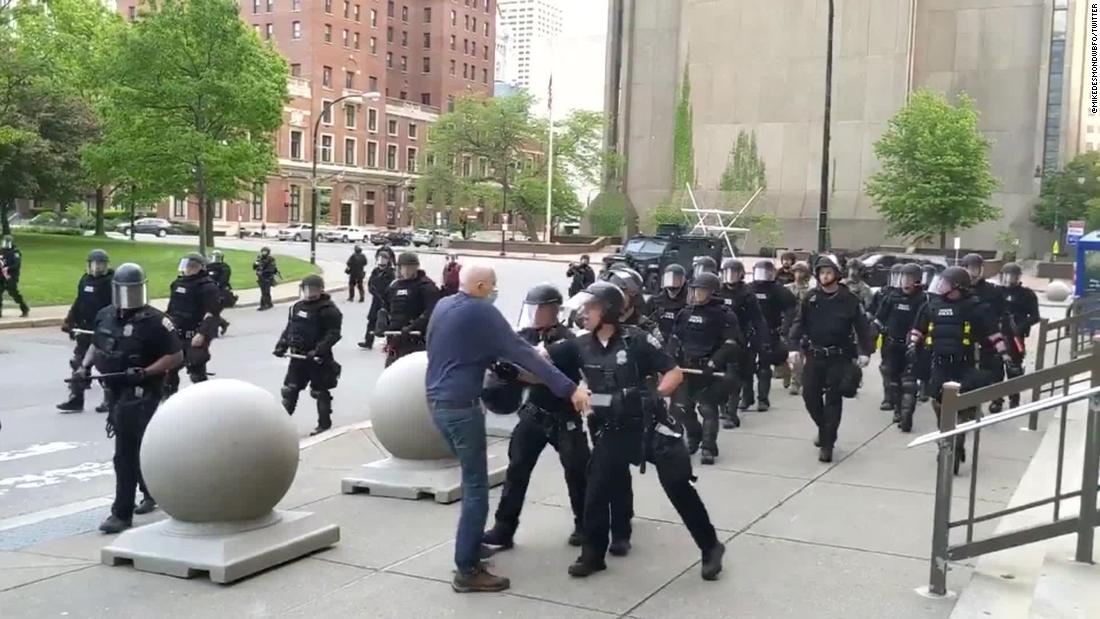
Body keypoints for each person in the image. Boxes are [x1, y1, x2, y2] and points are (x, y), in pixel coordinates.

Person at [425, 263, 588, 593]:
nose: (497, 291)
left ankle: (472, 545)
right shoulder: (481, 313)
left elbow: (454, 349)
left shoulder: (444, 305)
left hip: (437, 403)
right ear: (482, 286)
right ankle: (467, 569)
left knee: (475, 480)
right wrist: (570, 388)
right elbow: (521, 351)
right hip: (461, 408)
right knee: (476, 488)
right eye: (494, 285)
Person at [553, 281, 725, 581]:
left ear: (608, 311)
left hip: (651, 427)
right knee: (595, 491)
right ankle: (593, 555)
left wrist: (656, 397)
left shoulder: (638, 340)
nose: (584, 313)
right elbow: (542, 360)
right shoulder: (578, 345)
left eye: (591, 307)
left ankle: (711, 546)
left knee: (679, 487)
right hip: (613, 430)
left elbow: (673, 373)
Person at [74, 263, 183, 532]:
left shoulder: (157, 321)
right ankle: (151, 491)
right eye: (123, 289)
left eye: (133, 289)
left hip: (142, 392)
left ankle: (121, 514)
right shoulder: (106, 315)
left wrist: (146, 372)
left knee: (125, 454)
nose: (128, 294)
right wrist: (84, 368)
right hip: (115, 392)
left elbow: (176, 356)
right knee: (137, 449)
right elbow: (96, 345)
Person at [482, 283, 589, 551]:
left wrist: (516, 373)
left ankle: (586, 525)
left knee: (577, 473)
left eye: (538, 308)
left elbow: (546, 375)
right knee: (517, 470)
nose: (533, 314)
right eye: (531, 308)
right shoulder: (526, 335)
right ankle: (504, 529)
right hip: (534, 413)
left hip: (564, 415)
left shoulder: (567, 340)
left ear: (553, 309)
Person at [908, 266, 1015, 473]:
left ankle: (957, 441)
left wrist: (1006, 356)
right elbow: (918, 328)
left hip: (966, 363)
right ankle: (945, 437)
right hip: (940, 363)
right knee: (938, 403)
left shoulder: (976, 308)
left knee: (963, 406)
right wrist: (913, 344)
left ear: (957, 286)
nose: (941, 286)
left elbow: (995, 335)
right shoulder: (932, 305)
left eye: (946, 282)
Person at [789, 256, 874, 462]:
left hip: (839, 357)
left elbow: (862, 327)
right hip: (815, 355)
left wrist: (865, 351)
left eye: (828, 272)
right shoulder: (810, 298)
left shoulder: (850, 300)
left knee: (834, 401)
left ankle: (827, 444)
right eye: (821, 272)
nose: (824, 276)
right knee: (810, 396)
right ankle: (824, 428)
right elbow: (798, 323)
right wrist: (793, 347)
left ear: (837, 274)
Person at [670, 272, 742, 464]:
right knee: (682, 408)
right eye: (693, 290)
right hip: (687, 368)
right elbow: (675, 339)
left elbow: (730, 343)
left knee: (708, 409)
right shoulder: (684, 314)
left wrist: (714, 363)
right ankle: (694, 436)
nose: (694, 294)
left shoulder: (724, 315)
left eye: (699, 291)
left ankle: (709, 447)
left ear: (712, 292)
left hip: (710, 370)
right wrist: (670, 362)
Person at [274, 274, 343, 436]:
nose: (310, 292)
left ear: (321, 290)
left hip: (318, 359)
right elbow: (290, 328)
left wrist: (318, 350)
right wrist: (281, 345)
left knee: (319, 391)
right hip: (297, 357)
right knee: (290, 390)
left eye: (314, 289)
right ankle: (280, 425)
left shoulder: (328, 310)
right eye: (307, 289)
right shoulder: (297, 307)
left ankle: (324, 424)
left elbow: (334, 334)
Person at [58, 249, 114, 413]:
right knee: (78, 363)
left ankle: (109, 400)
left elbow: (115, 307)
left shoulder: (111, 282)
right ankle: (76, 398)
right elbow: (79, 302)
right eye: (94, 264)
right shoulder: (85, 280)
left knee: (105, 365)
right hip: (84, 329)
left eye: (101, 264)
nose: (97, 268)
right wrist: (69, 320)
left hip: (103, 330)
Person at [874, 263, 927, 431]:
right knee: (892, 380)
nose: (906, 282)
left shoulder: (923, 300)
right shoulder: (891, 297)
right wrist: (872, 332)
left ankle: (906, 415)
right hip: (892, 343)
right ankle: (897, 409)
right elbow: (879, 317)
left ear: (918, 281)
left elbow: (929, 323)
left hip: (913, 345)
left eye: (910, 279)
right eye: (903, 278)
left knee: (909, 383)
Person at [716, 258, 768, 423]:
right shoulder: (718, 291)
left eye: (733, 273)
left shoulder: (747, 294)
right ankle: (723, 408)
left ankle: (734, 410)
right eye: (727, 273)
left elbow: (757, 318)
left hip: (741, 338)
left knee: (739, 374)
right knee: (719, 376)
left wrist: (761, 339)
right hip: (719, 339)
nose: (730, 277)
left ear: (741, 275)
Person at [962, 253, 1014, 413]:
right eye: (970, 268)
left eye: (976, 268)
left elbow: (1003, 313)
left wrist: (1004, 335)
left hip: (988, 336)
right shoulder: (960, 289)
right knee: (967, 371)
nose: (973, 272)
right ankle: (970, 405)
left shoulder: (992, 290)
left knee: (995, 368)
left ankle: (996, 397)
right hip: (965, 336)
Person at [163, 253, 221, 397]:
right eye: (186, 266)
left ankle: (204, 400)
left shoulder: (208, 287)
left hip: (195, 334)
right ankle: (168, 399)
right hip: (177, 333)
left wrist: (201, 333)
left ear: (199, 268)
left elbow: (212, 313)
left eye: (191, 266)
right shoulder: (177, 284)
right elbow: (171, 309)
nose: (188, 269)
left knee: (196, 369)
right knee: (170, 369)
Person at [749, 259, 798, 411]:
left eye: (766, 272)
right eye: (760, 271)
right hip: (749, 333)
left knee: (764, 367)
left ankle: (763, 399)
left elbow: (791, 307)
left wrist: (785, 326)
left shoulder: (778, 290)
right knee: (745, 367)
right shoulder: (748, 289)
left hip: (769, 332)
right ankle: (746, 397)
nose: (763, 276)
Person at [377, 252, 439, 366]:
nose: (407, 271)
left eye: (411, 268)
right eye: (404, 268)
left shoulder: (426, 286)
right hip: (395, 339)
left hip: (417, 339)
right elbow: (384, 307)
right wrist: (381, 322)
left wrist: (413, 327)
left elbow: (431, 311)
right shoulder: (394, 286)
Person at [1000, 263, 1039, 408]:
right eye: (1006, 275)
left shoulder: (1027, 294)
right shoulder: (997, 292)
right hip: (997, 334)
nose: (1009, 279)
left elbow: (1035, 316)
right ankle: (997, 399)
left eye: (1013, 276)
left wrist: (1020, 325)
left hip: (1016, 337)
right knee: (996, 367)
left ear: (1018, 277)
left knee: (1014, 368)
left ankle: (1014, 398)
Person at [871, 263, 904, 410]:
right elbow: (872, 311)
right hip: (886, 336)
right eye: (894, 276)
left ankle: (903, 399)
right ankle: (888, 397)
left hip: (906, 336)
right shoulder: (882, 293)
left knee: (904, 370)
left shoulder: (912, 295)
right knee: (886, 368)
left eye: (900, 276)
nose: (897, 280)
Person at [358, 250, 396, 350]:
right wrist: (373, 290)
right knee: (371, 319)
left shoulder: (391, 273)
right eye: (380, 258)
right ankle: (368, 341)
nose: (382, 260)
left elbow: (392, 286)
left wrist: (385, 295)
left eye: (384, 258)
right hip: (376, 300)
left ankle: (389, 343)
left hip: (386, 300)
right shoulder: (375, 271)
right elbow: (371, 283)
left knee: (387, 321)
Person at [785, 261, 813, 395]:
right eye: (796, 271)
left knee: (804, 354)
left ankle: (798, 381)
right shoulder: (787, 289)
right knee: (792, 354)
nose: (798, 275)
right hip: (790, 324)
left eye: (801, 272)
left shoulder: (811, 290)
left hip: (806, 324)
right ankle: (791, 378)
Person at [648, 263, 688, 343]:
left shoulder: (689, 301)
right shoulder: (655, 300)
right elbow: (646, 321)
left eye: (676, 289)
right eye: (670, 289)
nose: (672, 291)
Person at [0, 234, 29, 318]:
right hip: (1, 276)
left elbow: (16, 265)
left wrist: (8, 268)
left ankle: (24, 308)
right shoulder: (1, 251)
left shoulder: (15, 252)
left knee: (14, 293)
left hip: (11, 277)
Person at [206, 250, 234, 336]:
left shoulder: (224, 267)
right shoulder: (208, 266)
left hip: (221, 292)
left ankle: (214, 332)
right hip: (209, 292)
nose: (215, 259)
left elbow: (223, 280)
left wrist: (216, 285)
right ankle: (223, 323)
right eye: (214, 257)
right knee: (209, 311)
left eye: (217, 257)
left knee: (214, 311)